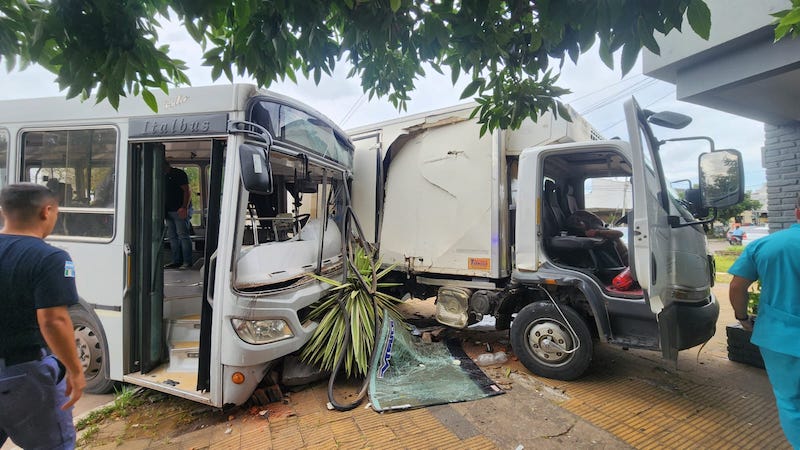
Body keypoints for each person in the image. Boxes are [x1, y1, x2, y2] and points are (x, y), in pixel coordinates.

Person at [0, 183, 86, 449]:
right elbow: (53, 320)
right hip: (24, 374)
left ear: (3, 211)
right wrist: (74, 370)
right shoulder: (51, 258)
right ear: (47, 211)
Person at [728, 194, 800, 448]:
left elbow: (737, 286)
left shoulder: (767, 245)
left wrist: (742, 317)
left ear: (797, 212)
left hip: (780, 340)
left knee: (791, 401)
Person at [565, 209, 629, 263]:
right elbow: (619, 233)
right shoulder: (593, 233)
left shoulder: (597, 230)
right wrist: (596, 232)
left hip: (623, 257)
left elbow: (619, 234)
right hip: (623, 259)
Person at [164, 159, 193, 269]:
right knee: (172, 237)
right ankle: (176, 261)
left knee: (183, 236)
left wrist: (184, 207)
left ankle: (187, 262)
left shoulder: (178, 174)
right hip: (168, 211)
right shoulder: (161, 176)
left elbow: (187, 191)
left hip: (179, 210)